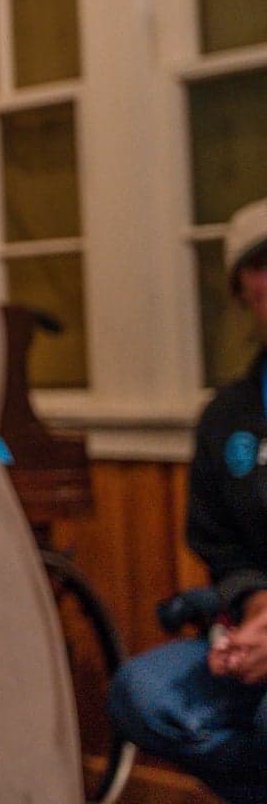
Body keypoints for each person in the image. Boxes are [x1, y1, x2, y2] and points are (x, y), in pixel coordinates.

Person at [108, 197, 267, 804]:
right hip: (251, 629)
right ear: (242, 292)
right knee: (143, 695)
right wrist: (254, 613)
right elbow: (220, 546)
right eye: (261, 266)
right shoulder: (227, 418)